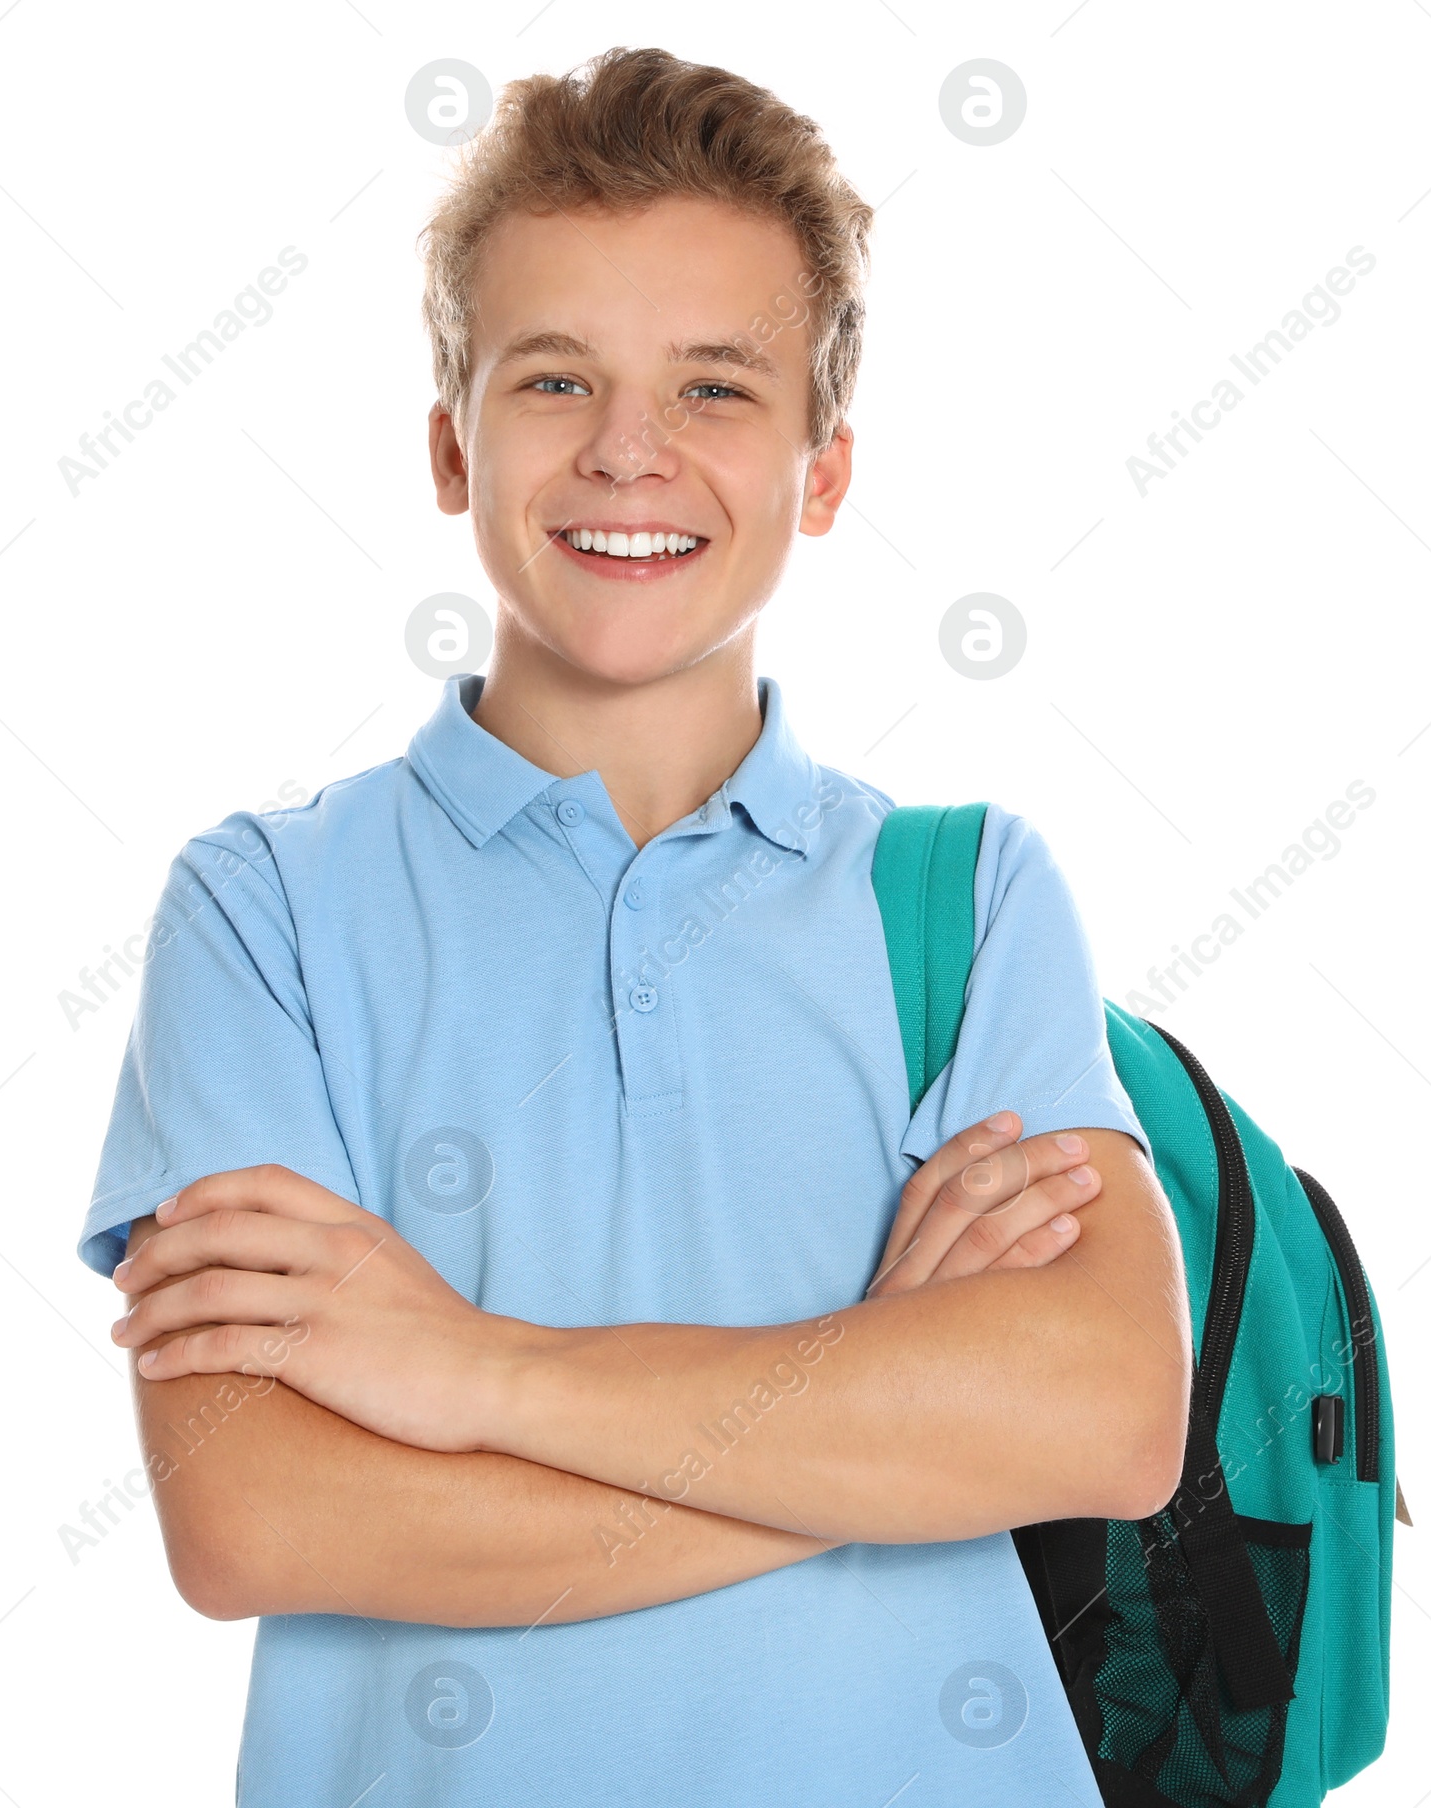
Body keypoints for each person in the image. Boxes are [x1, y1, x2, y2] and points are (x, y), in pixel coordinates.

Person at [79, 45, 1189, 1806]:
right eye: (556, 378)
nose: (626, 451)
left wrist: (469, 1371)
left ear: (824, 470)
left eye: (717, 390)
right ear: (453, 445)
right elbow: (257, 1517)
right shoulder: (262, 912)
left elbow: (1106, 1423)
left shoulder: (967, 898)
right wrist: (867, 1426)